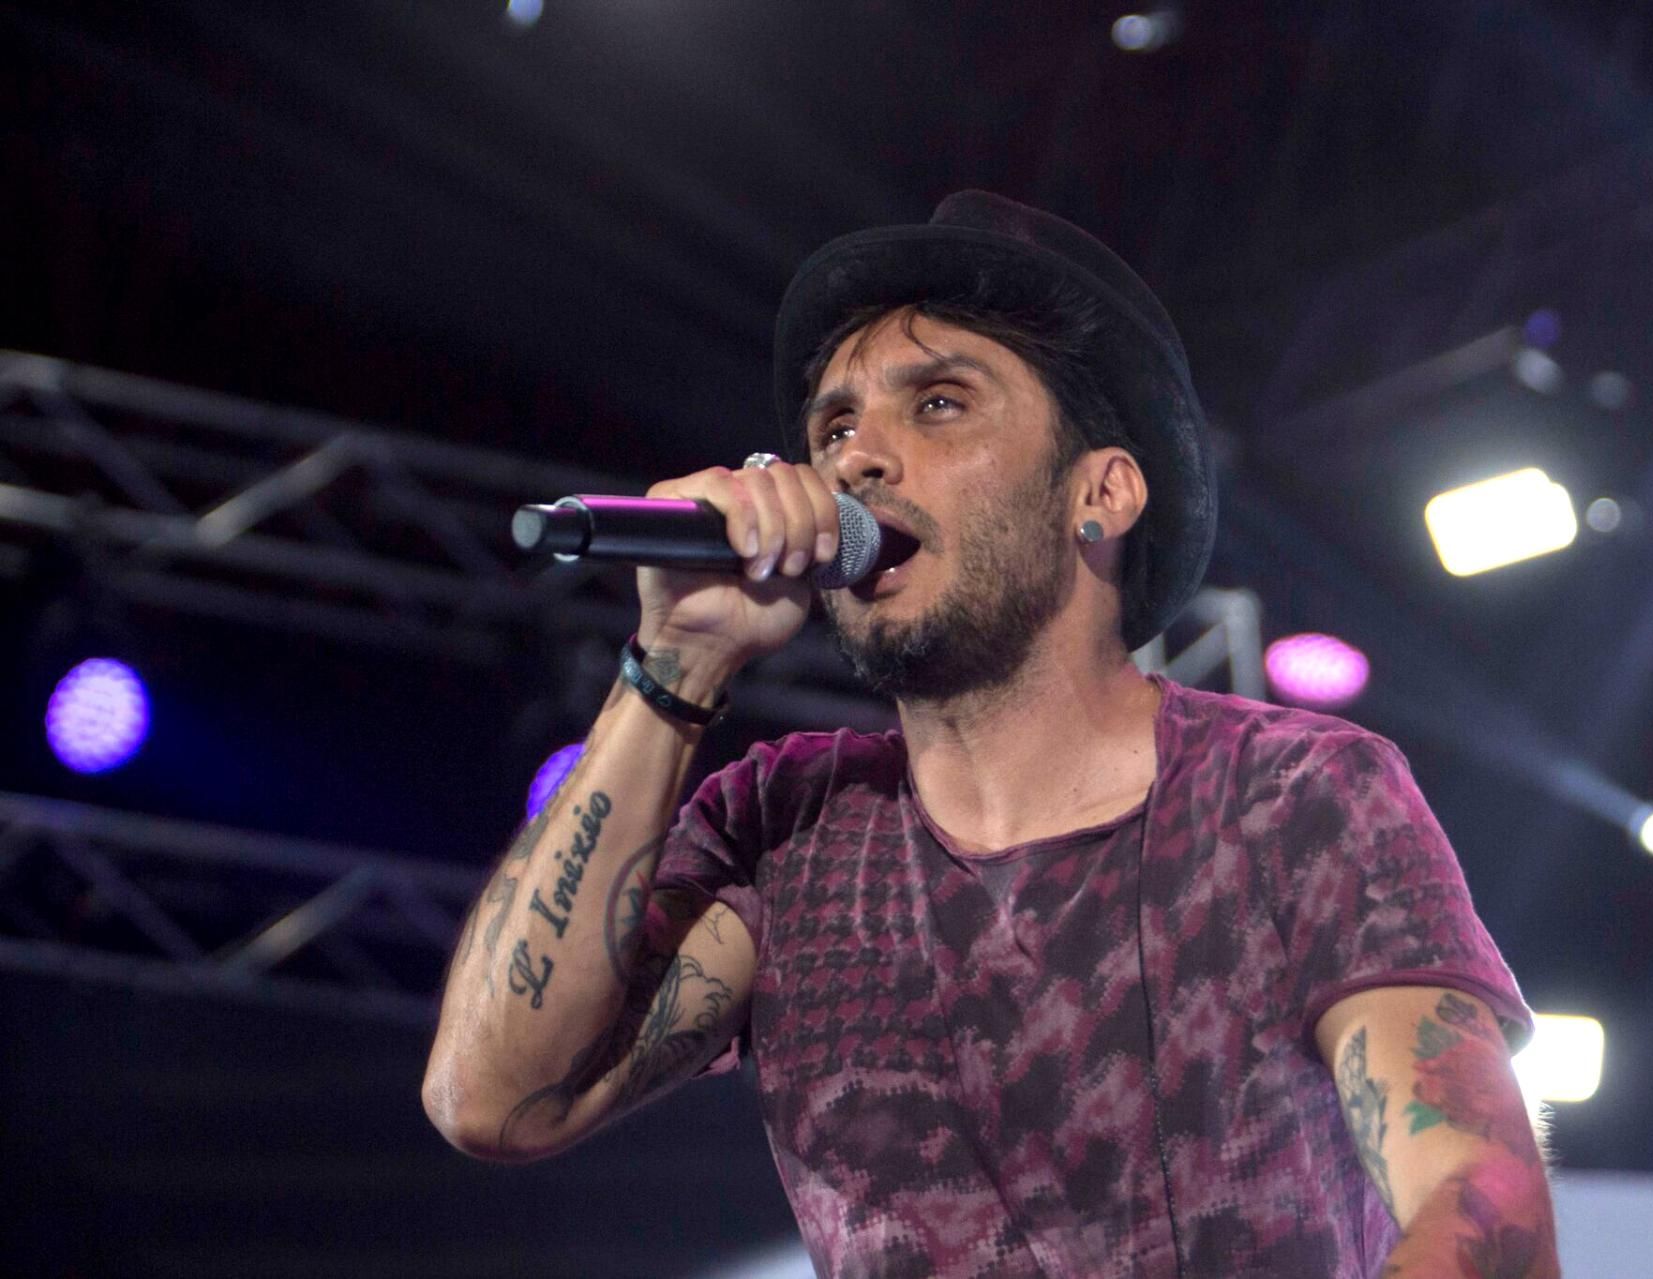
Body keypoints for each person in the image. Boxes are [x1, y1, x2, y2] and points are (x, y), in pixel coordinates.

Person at [423, 192, 1558, 1279]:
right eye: (834, 427)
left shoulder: (1290, 794)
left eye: (939, 404)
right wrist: (677, 662)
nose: (856, 459)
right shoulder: (785, 833)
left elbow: (1483, 1200)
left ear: (1100, 494)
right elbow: (494, 1099)